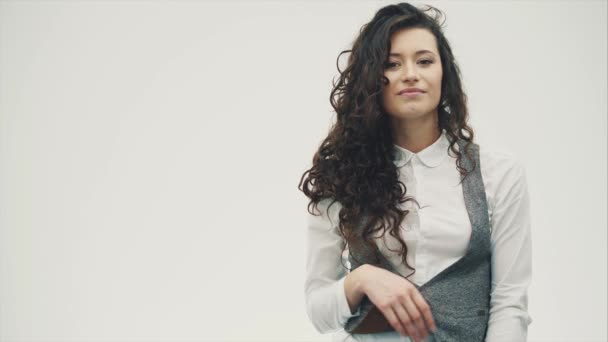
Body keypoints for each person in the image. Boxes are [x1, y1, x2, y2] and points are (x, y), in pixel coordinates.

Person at [298, 2, 532, 342]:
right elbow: (319, 311)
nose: (410, 73)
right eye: (392, 64)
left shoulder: (499, 173)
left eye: (424, 61)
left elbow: (510, 303)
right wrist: (361, 279)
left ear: (443, 74)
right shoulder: (340, 177)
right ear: (371, 79)